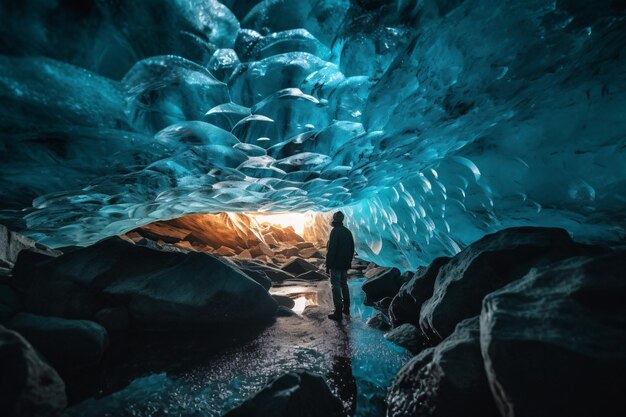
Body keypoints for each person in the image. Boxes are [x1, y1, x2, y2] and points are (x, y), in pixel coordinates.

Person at [325, 211, 355, 321]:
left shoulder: (335, 231)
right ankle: (346, 308)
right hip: (345, 263)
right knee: (344, 284)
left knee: (335, 286)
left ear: (334, 219)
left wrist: (328, 265)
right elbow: (352, 248)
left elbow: (332, 250)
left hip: (336, 264)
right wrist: (349, 261)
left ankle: (338, 311)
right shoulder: (347, 231)